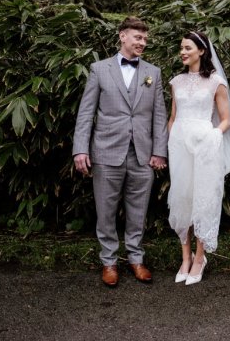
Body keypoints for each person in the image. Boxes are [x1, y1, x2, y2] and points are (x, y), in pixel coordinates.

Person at [72, 17, 168, 287]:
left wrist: (159, 151)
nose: (142, 43)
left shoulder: (154, 72)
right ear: (122, 36)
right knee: (106, 211)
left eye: (145, 39)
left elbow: (159, 116)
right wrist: (80, 149)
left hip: (142, 154)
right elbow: (86, 112)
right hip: (106, 151)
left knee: (138, 211)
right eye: (138, 38)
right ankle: (109, 263)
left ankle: (136, 259)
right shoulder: (99, 69)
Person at [167, 31, 230, 285]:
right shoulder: (176, 81)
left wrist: (213, 137)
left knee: (202, 199)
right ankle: (184, 258)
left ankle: (199, 258)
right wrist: (171, 142)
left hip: (206, 146)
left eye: (187, 47)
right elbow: (173, 118)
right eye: (181, 48)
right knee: (182, 198)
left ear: (202, 51)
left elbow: (226, 119)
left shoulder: (215, 82)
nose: (183, 52)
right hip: (180, 147)